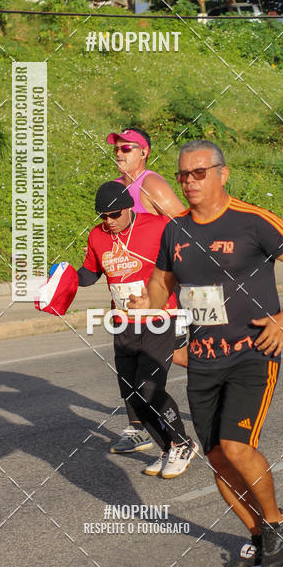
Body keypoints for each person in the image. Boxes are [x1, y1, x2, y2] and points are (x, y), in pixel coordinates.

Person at [129, 140, 283, 567]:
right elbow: (163, 282)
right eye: (183, 175)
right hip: (202, 360)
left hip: (251, 353)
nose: (190, 181)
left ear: (222, 173)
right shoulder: (175, 229)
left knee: (237, 446)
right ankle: (257, 534)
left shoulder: (252, 221)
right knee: (217, 457)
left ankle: (276, 523)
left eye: (199, 172)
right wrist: (148, 306)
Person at [78, 180, 198, 477]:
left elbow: (188, 258)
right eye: (103, 216)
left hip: (160, 318)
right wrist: (59, 278)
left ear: (129, 208)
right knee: (133, 393)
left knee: (149, 386)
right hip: (124, 323)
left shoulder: (158, 226)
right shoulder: (98, 236)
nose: (109, 221)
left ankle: (183, 443)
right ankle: (167, 448)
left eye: (114, 215)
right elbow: (90, 273)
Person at [106, 127, 188, 453]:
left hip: (157, 293)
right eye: (117, 149)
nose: (120, 154)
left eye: (128, 149)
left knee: (159, 358)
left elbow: (184, 226)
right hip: (126, 294)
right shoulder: (117, 189)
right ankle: (138, 427)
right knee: (130, 361)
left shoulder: (149, 184)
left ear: (144, 153)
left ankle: (218, 380)